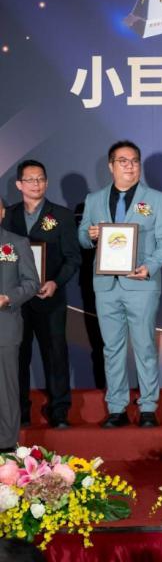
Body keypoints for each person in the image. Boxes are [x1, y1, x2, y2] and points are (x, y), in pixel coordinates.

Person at [78, 140, 162, 428]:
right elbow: (82, 235)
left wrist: (151, 266)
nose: (130, 166)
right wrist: (90, 235)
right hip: (106, 284)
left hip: (141, 282)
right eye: (123, 161)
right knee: (112, 349)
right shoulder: (94, 199)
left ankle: (147, 407)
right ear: (111, 166)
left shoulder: (155, 198)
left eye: (134, 161)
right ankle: (117, 408)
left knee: (145, 346)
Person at [2, 160, 80, 429]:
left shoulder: (62, 216)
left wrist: (56, 282)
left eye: (41, 179)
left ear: (46, 182)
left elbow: (73, 258)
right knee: (17, 357)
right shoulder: (8, 216)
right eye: (30, 179)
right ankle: (20, 412)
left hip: (50, 297)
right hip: (15, 302)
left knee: (55, 354)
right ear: (19, 184)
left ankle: (59, 411)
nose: (36, 184)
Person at [0, 199, 41, 451]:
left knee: (5, 390)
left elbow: (32, 283)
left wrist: (8, 297)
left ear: (2, 212)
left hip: (4, 326)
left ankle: (6, 447)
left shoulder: (17, 243)